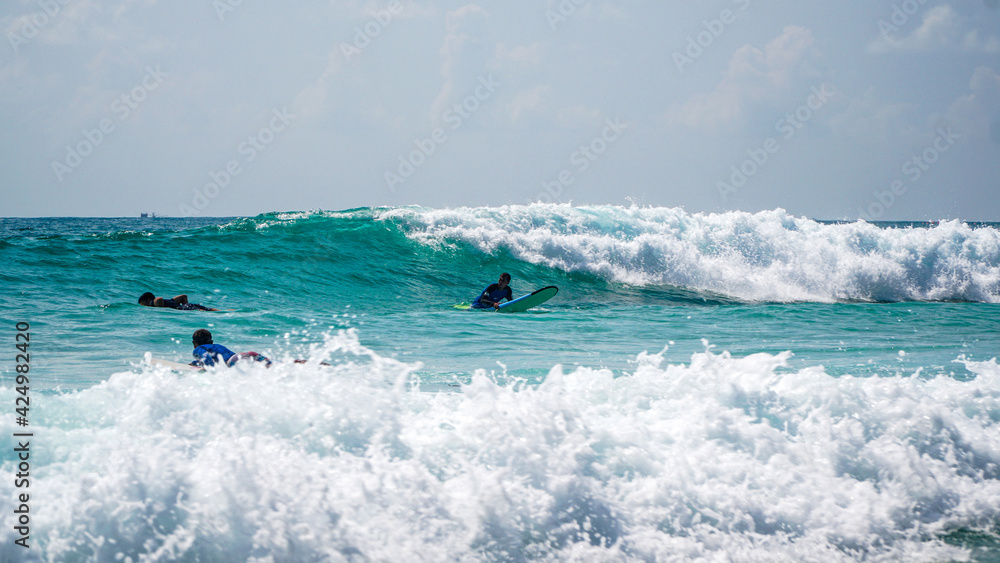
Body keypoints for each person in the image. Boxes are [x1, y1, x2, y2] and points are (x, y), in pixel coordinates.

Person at [190, 328, 271, 367]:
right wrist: (195, 363)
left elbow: (207, 360)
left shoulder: (198, 349)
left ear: (194, 343)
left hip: (232, 361)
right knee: (262, 366)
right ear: (211, 342)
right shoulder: (217, 346)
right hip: (243, 355)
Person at [139, 292, 217, 311]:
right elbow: (183, 296)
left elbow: (159, 299)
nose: (142, 305)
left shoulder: (153, 302)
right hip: (186, 306)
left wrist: (155, 305)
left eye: (142, 303)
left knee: (203, 311)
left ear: (148, 300)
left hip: (184, 308)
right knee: (211, 310)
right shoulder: (169, 301)